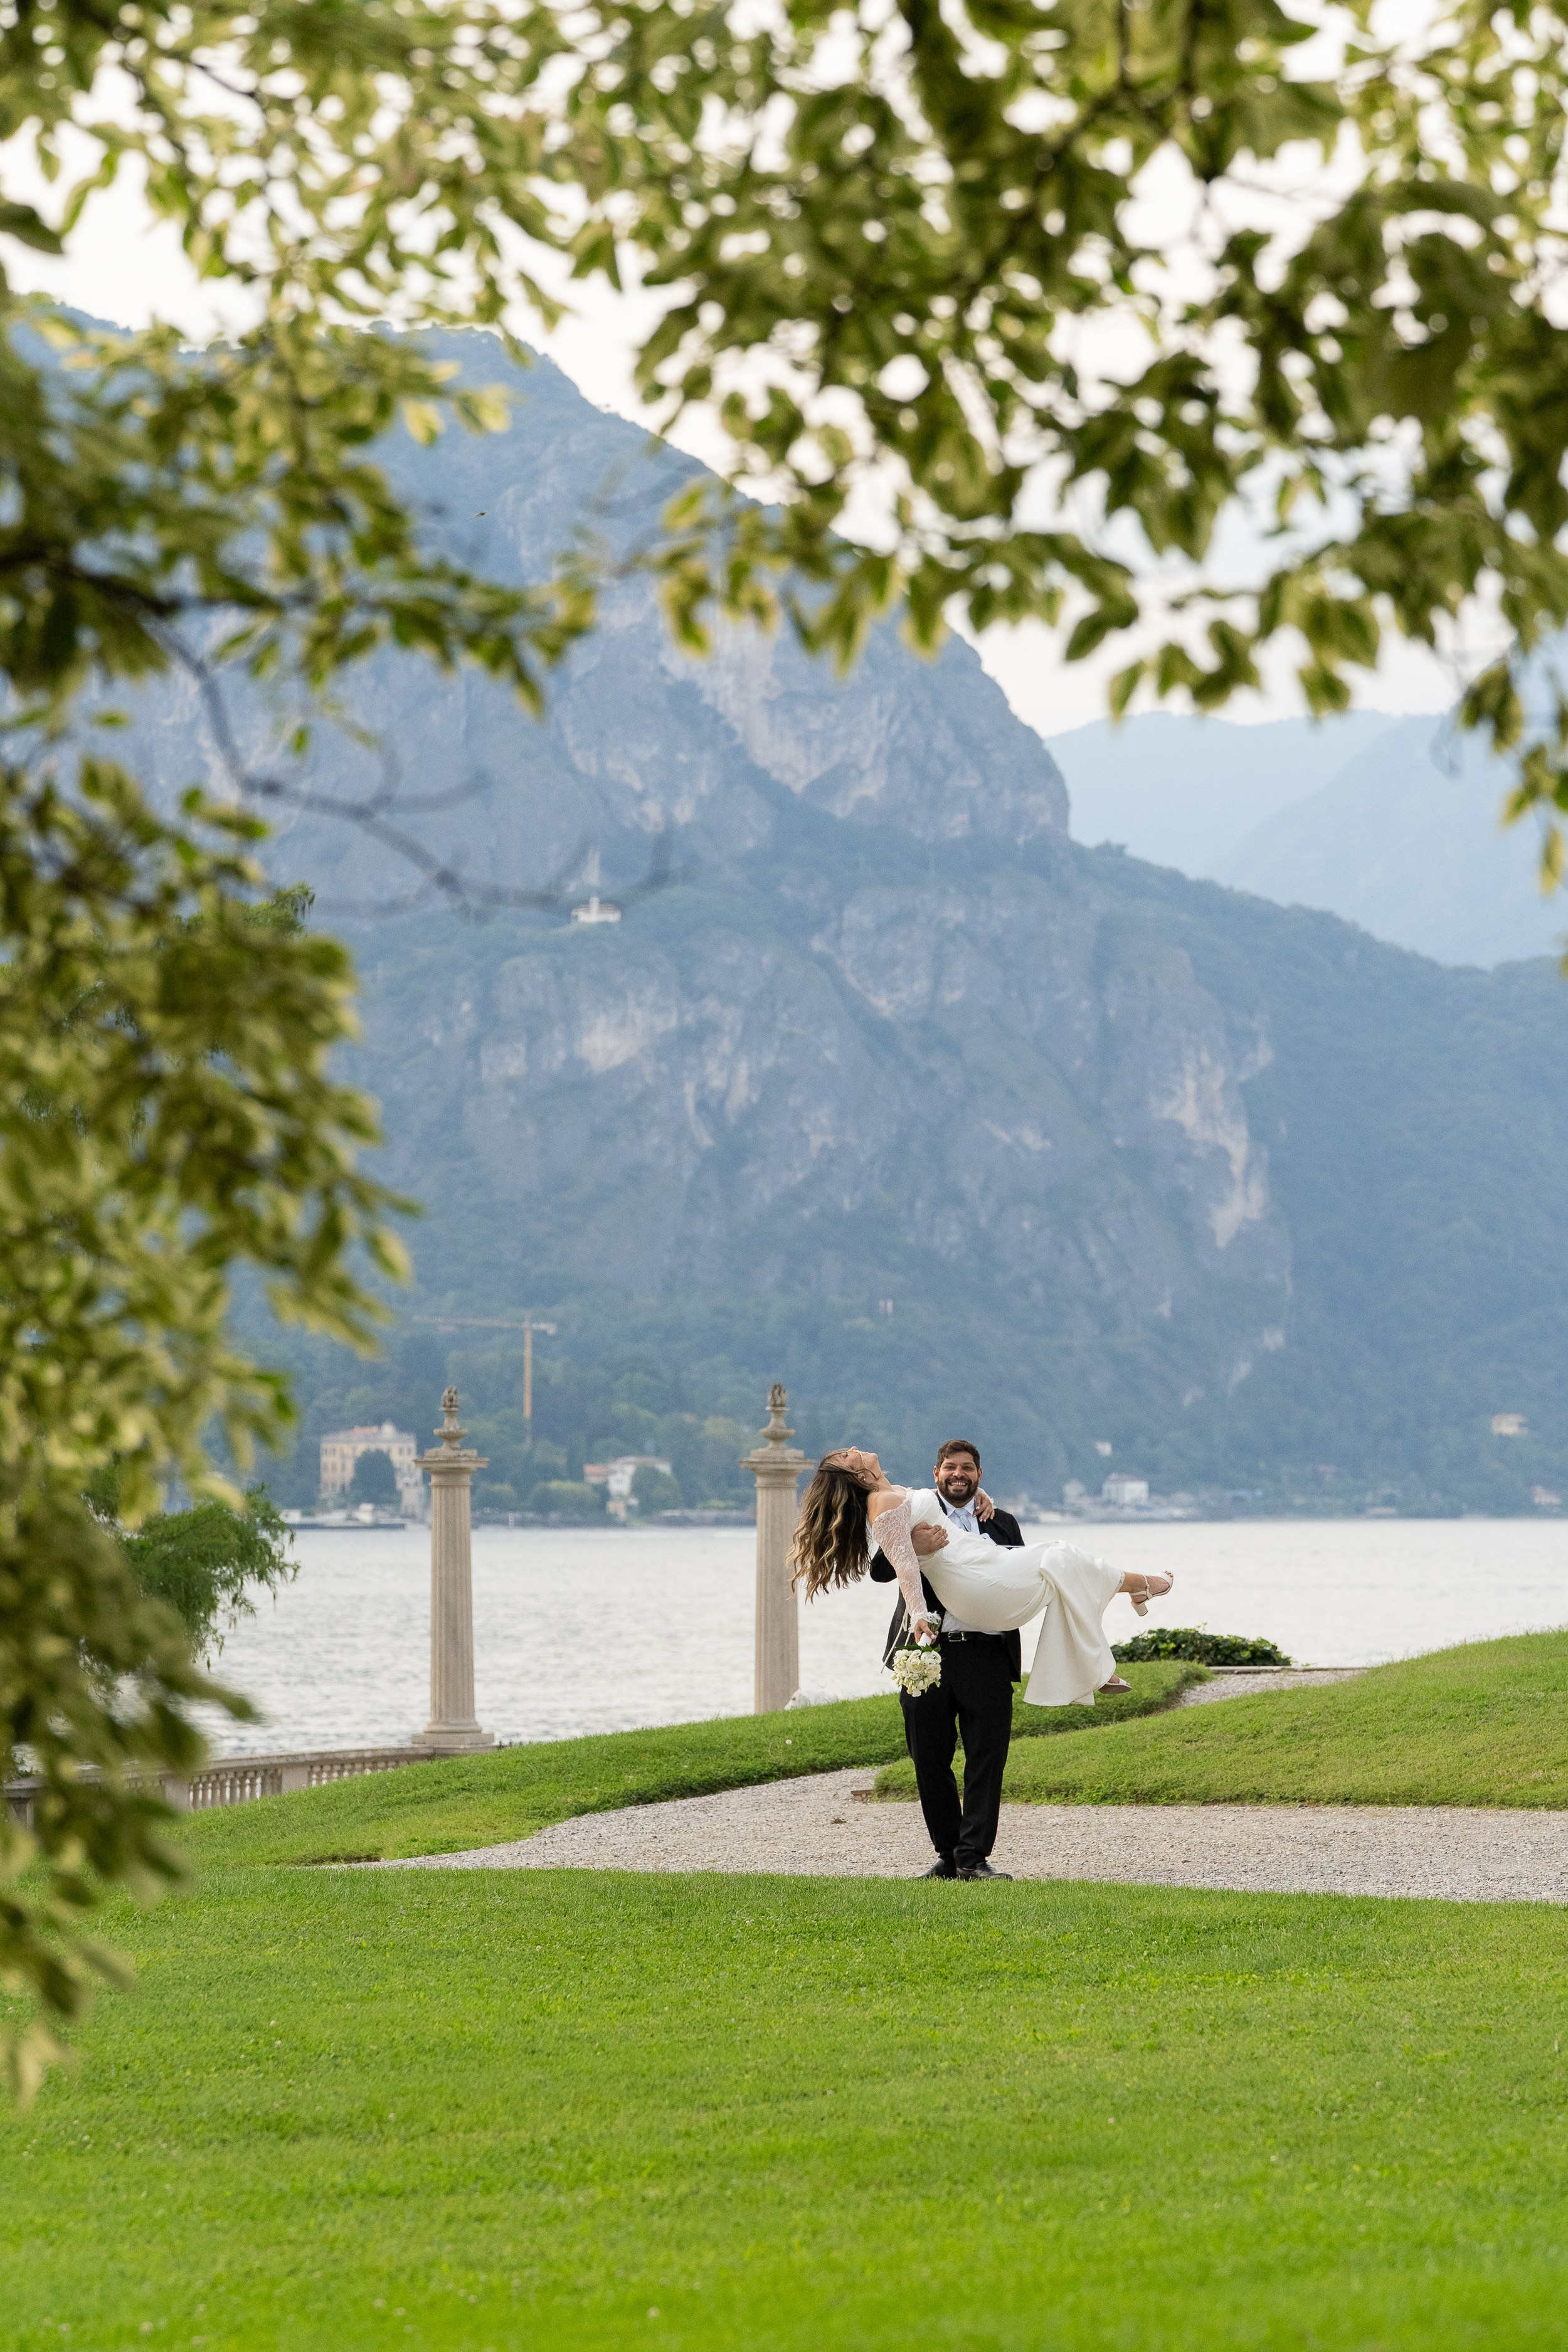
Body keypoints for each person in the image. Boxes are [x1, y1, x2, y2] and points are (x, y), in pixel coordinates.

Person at [790, 1441, 1172, 1882]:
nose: (959, 1474)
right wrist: (917, 1592)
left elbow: (1013, 1569)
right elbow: (891, 1568)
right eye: (950, 1468)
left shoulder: (997, 1519)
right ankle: (949, 1855)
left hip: (986, 1649)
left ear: (978, 1476)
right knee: (929, 1760)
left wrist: (968, 1512)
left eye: (967, 1468)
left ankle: (973, 1858)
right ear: (936, 1473)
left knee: (987, 1760)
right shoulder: (889, 1503)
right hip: (929, 1650)